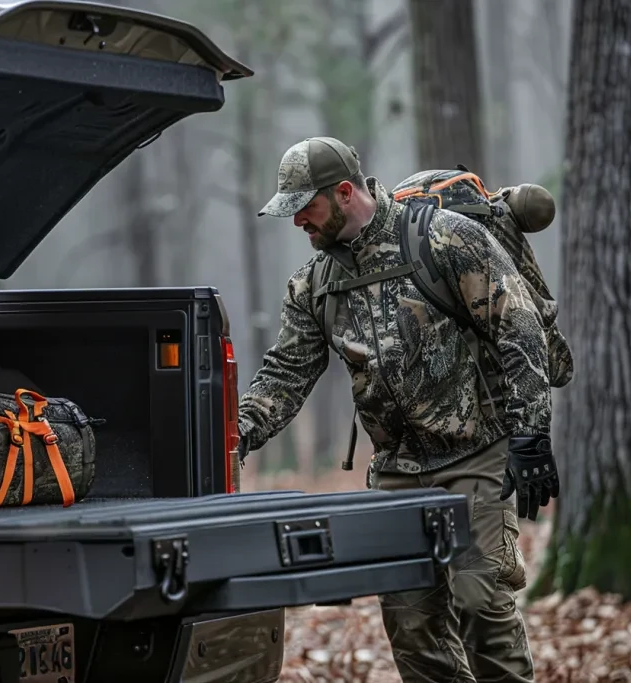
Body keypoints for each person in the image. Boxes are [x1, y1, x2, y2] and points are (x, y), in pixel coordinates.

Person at [237, 136, 561, 683]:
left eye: (305, 209)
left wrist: (531, 434)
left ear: (344, 192)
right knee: (412, 628)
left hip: (476, 455)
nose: (298, 224)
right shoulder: (315, 284)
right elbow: (287, 372)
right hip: (395, 473)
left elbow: (519, 326)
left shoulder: (445, 238)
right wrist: (239, 430)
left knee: (482, 602)